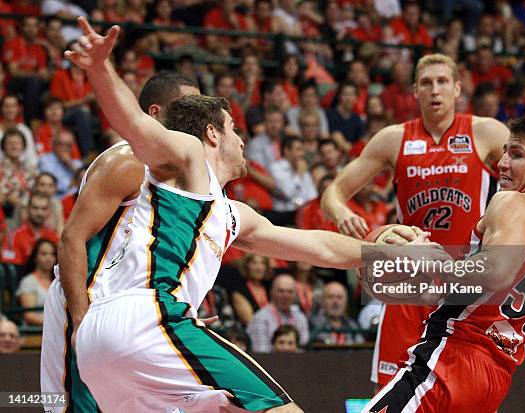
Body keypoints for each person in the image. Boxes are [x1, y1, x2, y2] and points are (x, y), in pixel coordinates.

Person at [65, 18, 436, 413]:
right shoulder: (188, 161)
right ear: (211, 134)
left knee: (227, 408)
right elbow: (136, 125)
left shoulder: (229, 212)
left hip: (99, 349)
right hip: (145, 317)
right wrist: (102, 70)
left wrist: (378, 252)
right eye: (233, 129)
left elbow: (316, 246)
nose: (242, 140)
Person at [321, 53, 508, 388]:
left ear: (457, 88)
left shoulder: (486, 133)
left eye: (442, 82)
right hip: (409, 280)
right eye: (426, 83)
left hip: (464, 278)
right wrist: (341, 211)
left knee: (467, 390)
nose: (435, 90)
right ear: (415, 92)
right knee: (391, 389)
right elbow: (333, 191)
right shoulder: (394, 138)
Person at [364, 116, 525, 412]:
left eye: (516, 154)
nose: (501, 163)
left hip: (451, 359)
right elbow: (488, 293)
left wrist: (430, 263)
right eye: (504, 151)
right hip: (496, 374)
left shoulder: (512, 201)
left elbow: (495, 272)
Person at [40, 70, 201, 412]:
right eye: (188, 106)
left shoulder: (181, 172)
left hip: (131, 313)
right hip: (89, 299)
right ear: (155, 114)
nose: (196, 117)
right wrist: (83, 321)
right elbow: (71, 239)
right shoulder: (128, 161)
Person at [247, 274, 310, 353]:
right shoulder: (261, 318)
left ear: (295, 294)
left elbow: (303, 348)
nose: (285, 295)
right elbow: (261, 353)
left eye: (290, 292)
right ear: (272, 292)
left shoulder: (300, 317)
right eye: (281, 291)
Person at [16, 239, 57, 326]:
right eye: (44, 254)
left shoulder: (58, 281)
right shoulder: (28, 282)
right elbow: (29, 316)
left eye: (52, 254)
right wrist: (54, 325)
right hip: (36, 332)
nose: (49, 258)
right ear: (35, 258)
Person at [309, 281, 364, 346]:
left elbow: (361, 345)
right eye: (330, 297)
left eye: (339, 297)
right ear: (322, 301)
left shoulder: (352, 325)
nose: (335, 302)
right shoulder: (313, 323)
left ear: (346, 302)